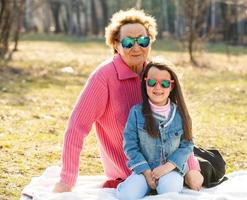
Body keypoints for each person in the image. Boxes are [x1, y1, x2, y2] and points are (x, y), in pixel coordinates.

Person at [53, 8, 203, 193]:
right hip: (129, 174)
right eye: (128, 42)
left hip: (166, 170)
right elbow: (76, 128)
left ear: (150, 41)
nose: (136, 47)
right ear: (116, 45)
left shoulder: (156, 77)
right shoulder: (104, 77)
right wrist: (67, 180)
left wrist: (192, 168)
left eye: (142, 40)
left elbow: (178, 126)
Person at [117, 61, 194, 200]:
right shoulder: (136, 113)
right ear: (145, 83)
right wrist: (147, 173)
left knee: (169, 191)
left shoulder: (180, 113)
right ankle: (141, 186)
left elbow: (187, 145)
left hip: (171, 170)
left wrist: (166, 168)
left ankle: (161, 186)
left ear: (172, 86)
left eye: (164, 83)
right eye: (152, 82)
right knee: (127, 195)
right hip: (144, 170)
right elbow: (130, 146)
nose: (158, 87)